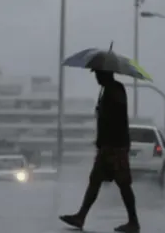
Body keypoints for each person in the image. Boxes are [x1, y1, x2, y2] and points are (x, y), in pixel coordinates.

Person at [59, 70, 140, 233]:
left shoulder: (115, 90)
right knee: (95, 181)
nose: (96, 77)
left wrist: (102, 112)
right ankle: (81, 216)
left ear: (106, 74)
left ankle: (133, 222)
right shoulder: (109, 91)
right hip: (107, 146)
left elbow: (115, 118)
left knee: (123, 184)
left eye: (98, 74)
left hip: (115, 145)